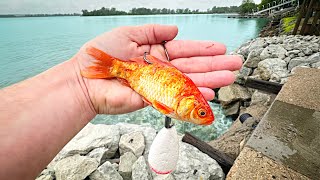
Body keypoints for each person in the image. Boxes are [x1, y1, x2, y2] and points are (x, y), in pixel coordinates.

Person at [0, 24, 242, 179]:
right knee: (117, 70)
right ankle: (110, 67)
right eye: (201, 113)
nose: (202, 118)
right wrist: (78, 77)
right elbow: (160, 102)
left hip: (144, 76)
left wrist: (78, 83)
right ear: (189, 104)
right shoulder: (173, 104)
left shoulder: (180, 102)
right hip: (140, 74)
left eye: (201, 114)